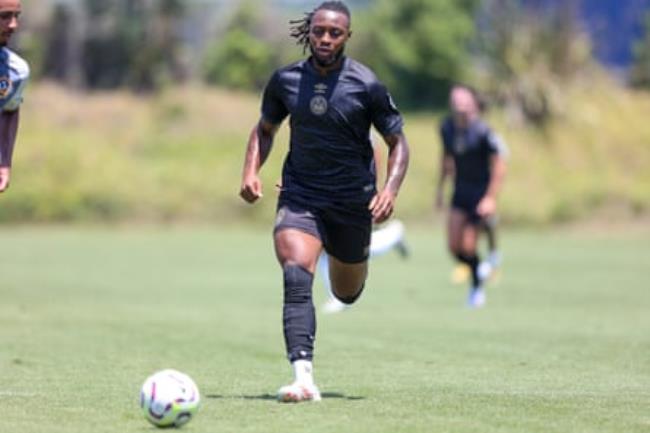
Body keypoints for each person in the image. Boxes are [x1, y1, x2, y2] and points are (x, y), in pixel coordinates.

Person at [239, 1, 409, 402]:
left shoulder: (367, 85)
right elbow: (265, 129)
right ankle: (302, 378)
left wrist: (390, 190)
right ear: (308, 33)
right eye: (319, 31)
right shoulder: (285, 81)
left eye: (335, 33)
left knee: (347, 292)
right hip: (301, 193)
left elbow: (398, 143)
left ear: (347, 36)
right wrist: (250, 171)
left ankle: (350, 263)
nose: (325, 39)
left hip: (352, 203)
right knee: (296, 273)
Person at [435, 84, 507, 308]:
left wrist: (490, 198)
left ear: (473, 103)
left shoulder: (484, 132)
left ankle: (476, 289)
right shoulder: (446, 127)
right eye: (456, 99)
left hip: (479, 193)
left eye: (464, 99)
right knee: (453, 247)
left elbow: (499, 166)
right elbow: (446, 159)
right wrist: (440, 188)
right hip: (460, 191)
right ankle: (481, 268)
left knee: (468, 246)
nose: (460, 104)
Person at [0, 0, 28, 193]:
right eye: (4, 17)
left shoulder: (15, 71)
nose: (13, 25)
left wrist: (4, 163)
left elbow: (10, 111)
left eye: (16, 16)